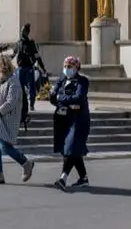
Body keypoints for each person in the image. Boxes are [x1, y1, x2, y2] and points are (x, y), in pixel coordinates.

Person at [0, 53, 34, 185]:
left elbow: (11, 101)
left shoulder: (13, 81)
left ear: (2, 66)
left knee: (5, 146)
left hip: (7, 117)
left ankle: (26, 163)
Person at [49, 56, 91, 191]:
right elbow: (52, 97)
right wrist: (64, 100)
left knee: (70, 148)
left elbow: (79, 98)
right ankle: (83, 178)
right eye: (65, 66)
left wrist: (61, 98)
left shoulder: (82, 81)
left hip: (78, 120)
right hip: (63, 119)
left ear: (76, 68)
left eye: (70, 66)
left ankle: (63, 178)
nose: (67, 69)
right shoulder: (61, 80)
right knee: (72, 149)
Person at [13, 24, 43, 112]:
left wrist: (42, 67)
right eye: (21, 30)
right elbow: (14, 54)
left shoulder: (31, 43)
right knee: (20, 88)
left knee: (31, 87)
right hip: (20, 68)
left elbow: (37, 56)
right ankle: (22, 104)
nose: (21, 32)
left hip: (29, 68)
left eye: (23, 31)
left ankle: (32, 104)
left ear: (27, 32)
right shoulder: (18, 43)